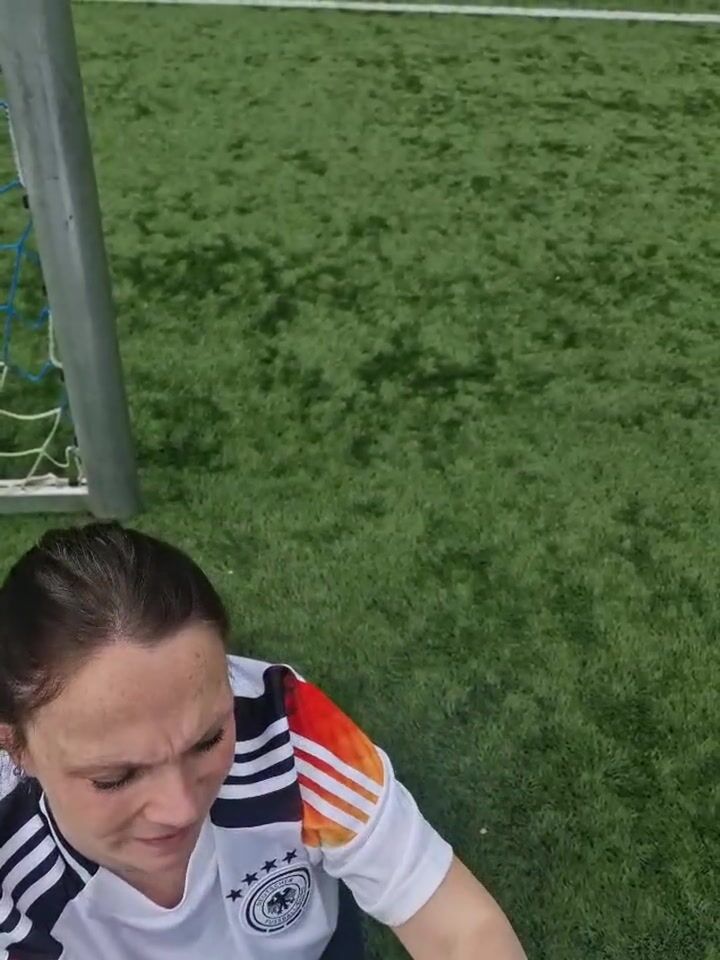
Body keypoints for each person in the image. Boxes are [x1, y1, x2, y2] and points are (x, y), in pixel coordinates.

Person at [0, 523, 527, 960]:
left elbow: (463, 931)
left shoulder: (287, 725)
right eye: (115, 777)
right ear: (15, 746)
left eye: (209, 739)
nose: (181, 808)